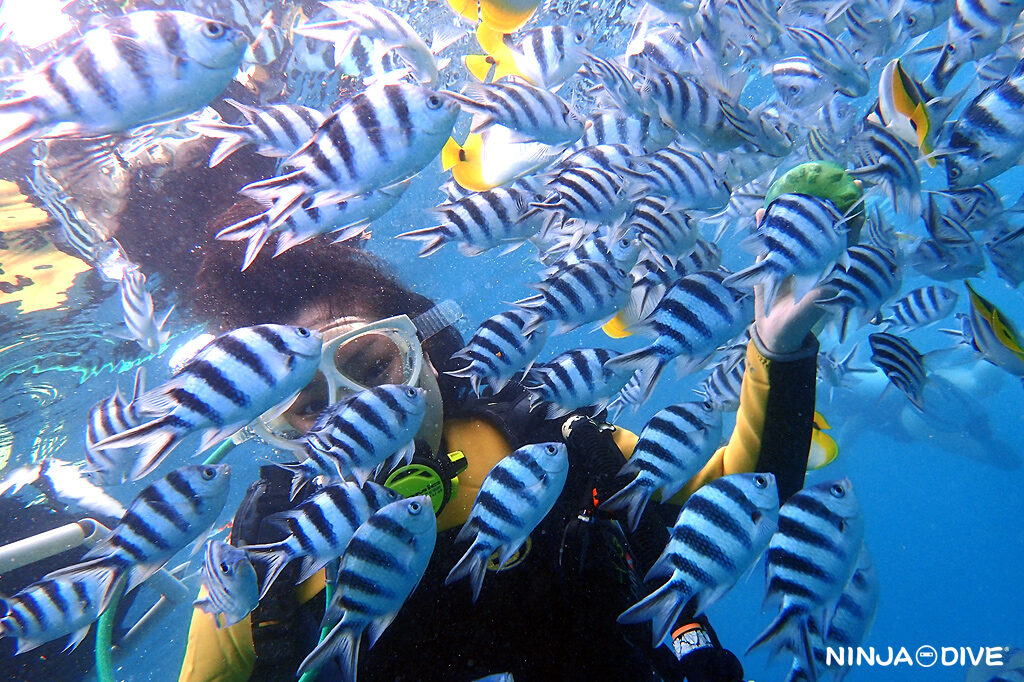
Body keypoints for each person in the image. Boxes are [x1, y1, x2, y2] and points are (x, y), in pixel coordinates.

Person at [167, 160, 848, 681]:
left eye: (374, 367)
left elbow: (746, 495)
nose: (357, 415)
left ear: (426, 353)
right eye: (309, 406)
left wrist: (778, 352)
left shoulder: (550, 445)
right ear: (275, 435)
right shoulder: (260, 560)